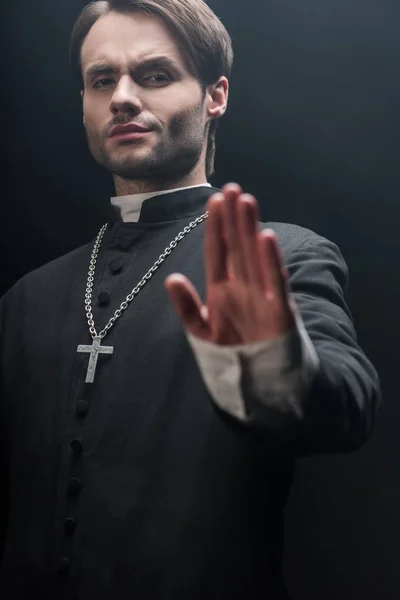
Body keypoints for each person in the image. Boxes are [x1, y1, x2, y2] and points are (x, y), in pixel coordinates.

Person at [0, 0, 381, 598]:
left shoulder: (281, 255)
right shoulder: (26, 299)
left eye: (154, 75)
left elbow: (350, 403)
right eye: (102, 80)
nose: (122, 97)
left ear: (215, 95)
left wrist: (275, 372)